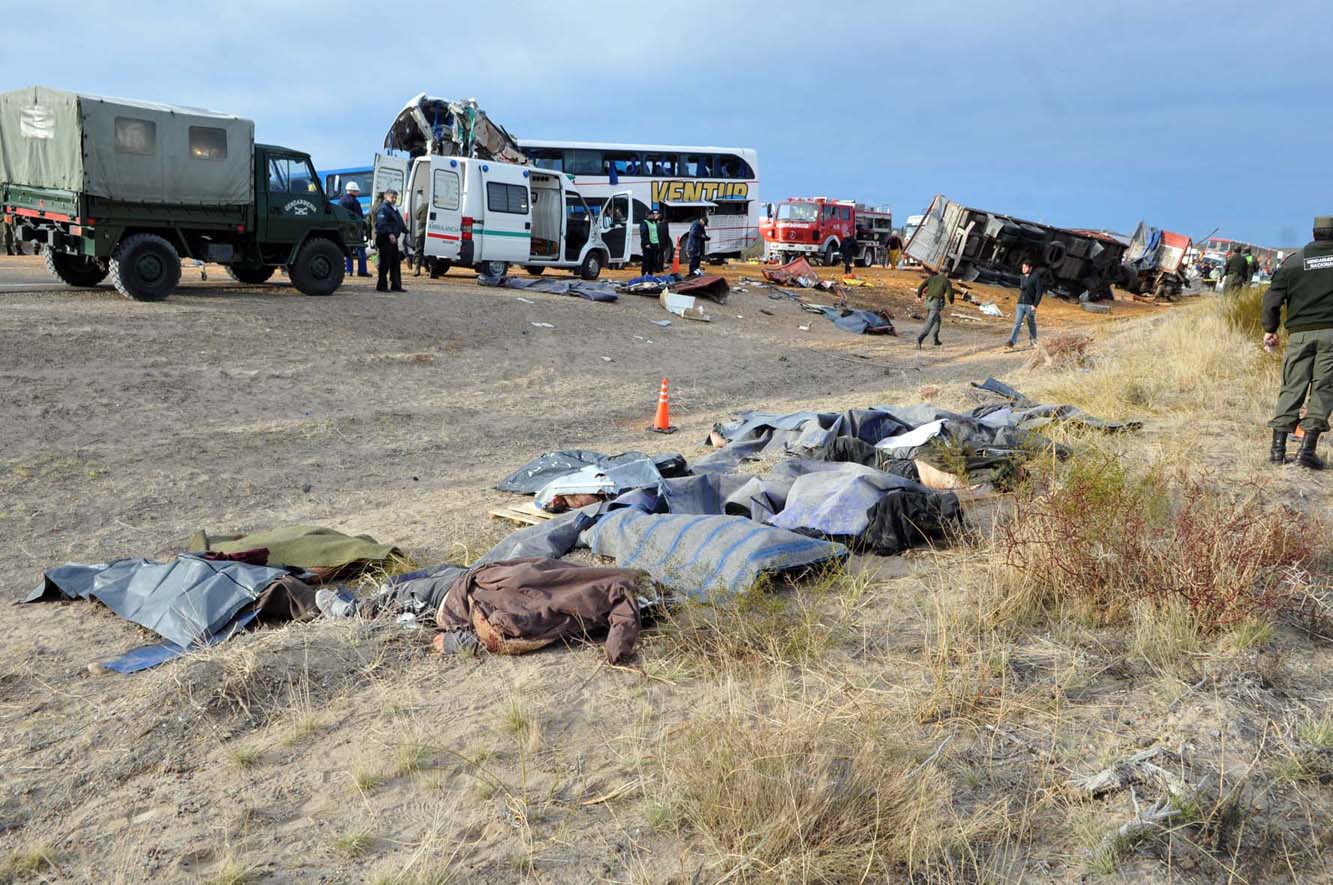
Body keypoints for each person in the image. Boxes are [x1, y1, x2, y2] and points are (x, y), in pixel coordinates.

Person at [1262, 215, 1333, 470]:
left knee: (1292, 387)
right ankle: (1306, 451)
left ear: (1314, 234)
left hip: (1299, 335)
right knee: (1324, 389)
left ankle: (1277, 451)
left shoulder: (1294, 262)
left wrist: (1270, 329)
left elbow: (1271, 300)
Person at [374, 189, 407, 293]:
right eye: (392, 197)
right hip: (385, 239)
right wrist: (390, 233)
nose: (394, 199)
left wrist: (405, 230)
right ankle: (382, 285)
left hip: (393, 240)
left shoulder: (393, 209)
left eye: (395, 198)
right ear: (386, 197)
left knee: (395, 263)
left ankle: (396, 285)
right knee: (385, 263)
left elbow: (399, 221)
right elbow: (381, 223)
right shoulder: (383, 208)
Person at [1007, 260, 1044, 349]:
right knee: (1017, 323)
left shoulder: (1035, 278)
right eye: (1023, 267)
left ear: (1030, 268)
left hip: (1029, 305)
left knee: (1031, 323)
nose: (1023, 269)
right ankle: (1012, 341)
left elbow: (1039, 292)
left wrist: (1035, 305)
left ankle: (1033, 341)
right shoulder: (1023, 277)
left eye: (1025, 267)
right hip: (1020, 304)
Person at [915, 269, 954, 348]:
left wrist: (919, 296)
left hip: (927, 302)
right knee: (930, 321)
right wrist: (951, 301)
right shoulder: (946, 280)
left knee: (937, 319)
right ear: (946, 274)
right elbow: (950, 294)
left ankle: (935, 339)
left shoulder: (931, 278)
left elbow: (921, 287)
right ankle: (920, 339)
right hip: (935, 303)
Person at [339, 182, 370, 277]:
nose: (358, 193)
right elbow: (359, 217)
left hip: (345, 230)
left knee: (348, 250)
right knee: (361, 250)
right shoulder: (354, 202)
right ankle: (362, 271)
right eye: (356, 191)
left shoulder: (341, 201)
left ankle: (349, 271)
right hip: (355, 229)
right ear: (352, 191)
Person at [639, 208, 662, 275]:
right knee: (646, 260)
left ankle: (650, 274)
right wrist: (646, 243)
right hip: (648, 245)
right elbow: (643, 233)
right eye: (652, 215)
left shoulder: (654, 222)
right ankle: (643, 274)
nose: (653, 216)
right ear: (648, 215)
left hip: (654, 243)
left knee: (652, 261)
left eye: (654, 215)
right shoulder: (644, 223)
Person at [412, 192, 429, 276]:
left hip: (422, 229)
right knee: (431, 251)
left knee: (419, 250)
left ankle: (417, 269)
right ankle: (432, 270)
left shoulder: (424, 206)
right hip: (431, 231)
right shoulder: (436, 208)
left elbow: (416, 215)